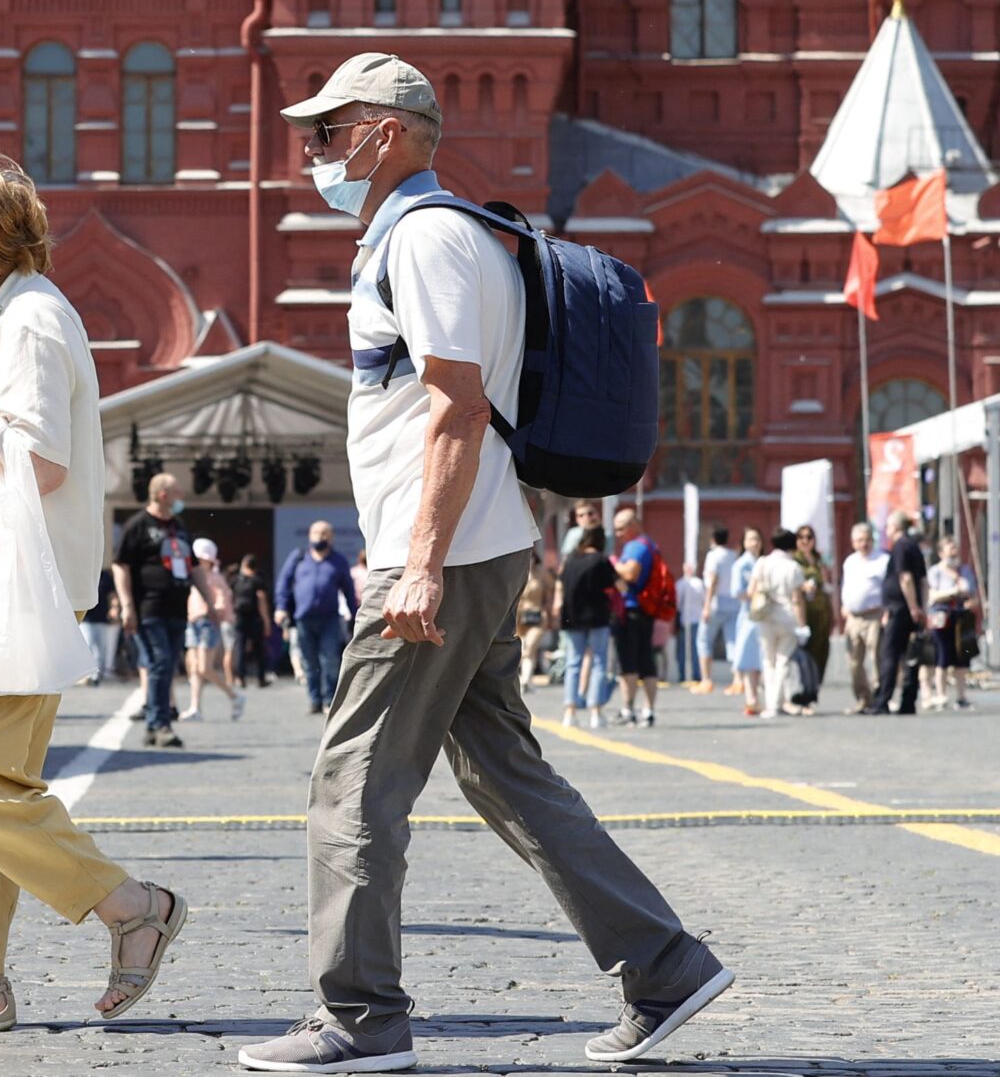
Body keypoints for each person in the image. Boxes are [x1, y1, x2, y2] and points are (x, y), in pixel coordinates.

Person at [242, 54, 730, 1073]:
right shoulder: (450, 234)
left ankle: (360, 1017)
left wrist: (416, 563)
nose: (313, 149)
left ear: (386, 133)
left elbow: (457, 408)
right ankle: (664, 965)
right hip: (478, 541)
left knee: (353, 780)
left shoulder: (426, 239)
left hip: (443, 553)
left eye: (329, 130)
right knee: (504, 771)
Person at [0, 157, 185, 1032]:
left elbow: (38, 459)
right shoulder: (8, 320)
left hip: (6, 587)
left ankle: (130, 904)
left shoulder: (31, 322)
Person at [114, 472, 195, 747]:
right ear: (162, 495)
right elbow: (121, 566)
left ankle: (153, 724)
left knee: (167, 665)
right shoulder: (138, 525)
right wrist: (127, 605)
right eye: (177, 491)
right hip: (149, 608)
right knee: (160, 662)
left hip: (177, 609)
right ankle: (160, 724)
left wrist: (210, 601)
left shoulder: (179, 526)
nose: (181, 496)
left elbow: (194, 567)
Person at [276, 520, 359, 716]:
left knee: (330, 660)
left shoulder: (338, 561)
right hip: (303, 619)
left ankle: (330, 700)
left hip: (330, 619)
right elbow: (283, 584)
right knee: (309, 661)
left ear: (331, 538)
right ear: (309, 535)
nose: (319, 537)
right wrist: (281, 607)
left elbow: (348, 590)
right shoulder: (298, 558)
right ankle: (314, 699)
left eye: (324, 533)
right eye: (316, 533)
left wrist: (355, 616)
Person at [866, 512, 930, 716]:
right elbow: (923, 582)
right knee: (910, 656)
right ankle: (908, 701)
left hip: (900, 609)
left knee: (890, 655)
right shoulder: (914, 546)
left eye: (888, 526)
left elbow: (906, 578)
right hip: (909, 609)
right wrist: (922, 608)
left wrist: (912, 607)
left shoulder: (901, 546)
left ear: (895, 527)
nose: (886, 529)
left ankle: (882, 700)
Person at [557, 527, 619, 730]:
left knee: (573, 662)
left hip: (572, 615)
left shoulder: (571, 560)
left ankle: (570, 711)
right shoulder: (601, 560)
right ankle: (595, 711)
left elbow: (562, 583)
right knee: (599, 662)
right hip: (597, 615)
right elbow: (616, 585)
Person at [743, 528, 806, 722]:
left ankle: (770, 704)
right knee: (783, 660)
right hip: (787, 618)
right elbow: (797, 599)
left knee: (768, 661)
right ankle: (776, 703)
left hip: (765, 616)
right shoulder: (794, 567)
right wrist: (802, 625)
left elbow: (751, 591)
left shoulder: (762, 563)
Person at [609, 505, 662, 727]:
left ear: (634, 525)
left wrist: (614, 563)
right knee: (646, 661)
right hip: (646, 609)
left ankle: (628, 710)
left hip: (631, 610)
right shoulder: (650, 545)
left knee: (628, 663)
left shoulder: (635, 547)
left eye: (621, 528)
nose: (618, 534)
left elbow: (630, 574)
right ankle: (648, 711)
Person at [181, 537, 243, 722]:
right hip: (192, 622)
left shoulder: (215, 578)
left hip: (208, 623)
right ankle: (195, 707)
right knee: (194, 668)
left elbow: (223, 600)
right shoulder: (192, 577)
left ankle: (234, 696)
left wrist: (215, 610)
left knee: (204, 668)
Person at [839, 520, 889, 714]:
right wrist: (845, 605)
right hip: (853, 617)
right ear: (853, 543)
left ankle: (879, 698)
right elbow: (846, 586)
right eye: (860, 540)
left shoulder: (882, 560)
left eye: (867, 539)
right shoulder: (850, 561)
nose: (864, 544)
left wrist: (886, 612)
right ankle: (862, 698)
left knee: (877, 658)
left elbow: (889, 588)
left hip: (875, 614)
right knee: (853, 661)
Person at [922, 537, 977, 712]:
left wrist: (958, 581)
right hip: (941, 617)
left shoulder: (964, 570)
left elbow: (970, 591)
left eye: (955, 548)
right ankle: (941, 694)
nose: (954, 552)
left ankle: (961, 697)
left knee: (962, 657)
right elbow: (933, 595)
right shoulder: (935, 572)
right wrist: (954, 591)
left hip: (961, 617)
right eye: (950, 549)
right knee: (942, 656)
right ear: (941, 553)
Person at [790, 525, 834, 707]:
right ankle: (804, 695)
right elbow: (791, 586)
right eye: (801, 537)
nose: (805, 541)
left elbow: (827, 586)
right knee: (806, 656)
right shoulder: (794, 561)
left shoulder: (818, 560)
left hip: (821, 613)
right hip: (805, 613)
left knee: (821, 654)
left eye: (809, 537)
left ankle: (813, 692)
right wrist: (803, 587)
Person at [726, 527, 768, 717]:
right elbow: (737, 592)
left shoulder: (764, 562)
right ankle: (751, 698)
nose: (755, 543)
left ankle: (761, 698)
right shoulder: (741, 565)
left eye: (757, 539)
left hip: (765, 615)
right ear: (744, 543)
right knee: (750, 658)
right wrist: (756, 594)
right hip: (750, 615)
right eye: (751, 539)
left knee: (763, 659)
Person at [699, 526, 739, 692]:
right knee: (733, 641)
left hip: (716, 602)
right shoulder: (733, 555)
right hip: (733, 602)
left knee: (704, 640)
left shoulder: (713, 555)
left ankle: (706, 680)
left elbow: (713, 580)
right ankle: (738, 680)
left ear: (713, 539)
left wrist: (707, 605)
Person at [520, 550, 562, 693]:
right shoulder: (518, 574)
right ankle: (525, 679)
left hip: (537, 616)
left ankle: (525, 680)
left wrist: (550, 613)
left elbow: (551, 594)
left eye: (531, 558)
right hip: (519, 617)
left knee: (530, 647)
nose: (529, 561)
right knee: (521, 648)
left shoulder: (542, 574)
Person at [231, 555, 273, 689]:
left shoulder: (235, 580)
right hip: (255, 618)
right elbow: (262, 601)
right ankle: (261, 678)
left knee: (239, 648)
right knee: (259, 648)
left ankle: (240, 677)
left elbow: (230, 597)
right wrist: (266, 620)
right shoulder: (257, 581)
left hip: (239, 617)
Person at [83, 569, 120, 687]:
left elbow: (112, 595)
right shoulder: (84, 573)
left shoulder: (105, 576)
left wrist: (114, 608)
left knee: (101, 648)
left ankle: (96, 675)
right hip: (86, 618)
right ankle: (88, 674)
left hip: (102, 617)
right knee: (88, 645)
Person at [671, 559, 704, 689]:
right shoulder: (685, 584)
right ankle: (692, 674)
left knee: (689, 648)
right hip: (690, 619)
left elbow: (677, 604)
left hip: (690, 619)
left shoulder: (691, 583)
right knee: (690, 648)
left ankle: (686, 674)